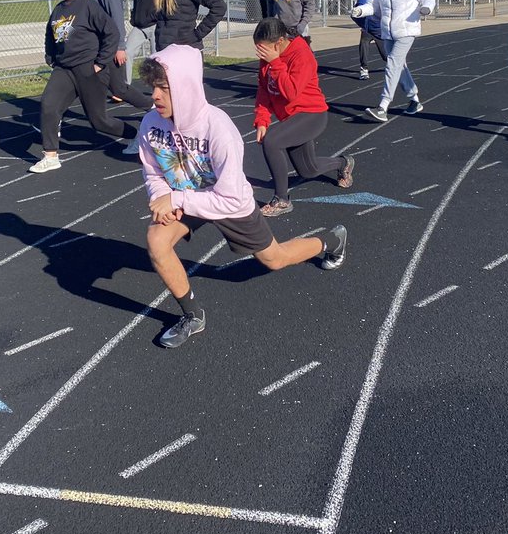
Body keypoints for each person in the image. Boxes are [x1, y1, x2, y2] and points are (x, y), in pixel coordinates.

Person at [137, 44, 349, 349]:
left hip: (226, 201)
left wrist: (177, 200)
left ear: (185, 88)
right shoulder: (150, 124)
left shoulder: (218, 129)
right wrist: (161, 196)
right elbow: (153, 170)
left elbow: (230, 200)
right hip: (187, 197)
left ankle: (330, 241)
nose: (155, 95)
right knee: (156, 240)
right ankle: (193, 316)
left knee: (274, 259)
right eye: (153, 87)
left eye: (164, 88)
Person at [30, 0, 138, 173]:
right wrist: (50, 57)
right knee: (49, 105)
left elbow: (111, 33)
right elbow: (49, 35)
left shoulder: (87, 6)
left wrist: (100, 62)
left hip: (89, 69)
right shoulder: (59, 9)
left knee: (99, 121)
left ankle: (137, 135)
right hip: (64, 69)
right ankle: (51, 156)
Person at [252, 17, 355, 216]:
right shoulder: (269, 56)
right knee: (308, 170)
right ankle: (343, 163)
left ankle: (281, 199)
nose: (260, 54)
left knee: (272, 141)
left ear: (279, 42)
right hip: (290, 118)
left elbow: (291, 92)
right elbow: (264, 89)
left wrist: (276, 63)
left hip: (311, 114)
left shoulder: (301, 54)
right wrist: (262, 119)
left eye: (263, 49)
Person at [352, 0, 435, 121]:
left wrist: (427, 8)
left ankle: (383, 106)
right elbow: (372, 5)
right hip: (387, 32)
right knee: (399, 66)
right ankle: (414, 100)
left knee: (392, 63)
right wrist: (361, 11)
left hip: (407, 29)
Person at [84, 0, 151, 111]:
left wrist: (120, 47)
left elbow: (116, 16)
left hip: (109, 45)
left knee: (119, 88)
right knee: (87, 82)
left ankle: (151, 106)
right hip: (95, 46)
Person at [124, 0, 157, 84]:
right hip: (139, 25)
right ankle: (125, 87)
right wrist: (134, 16)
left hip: (155, 23)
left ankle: (159, 88)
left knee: (156, 59)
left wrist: (157, 16)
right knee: (126, 52)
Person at [351, 0, 386, 80]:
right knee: (364, 45)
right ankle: (364, 69)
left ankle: (395, 66)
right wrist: (362, 24)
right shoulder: (364, 0)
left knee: (385, 55)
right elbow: (356, 12)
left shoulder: (382, 1)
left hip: (378, 30)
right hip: (367, 30)